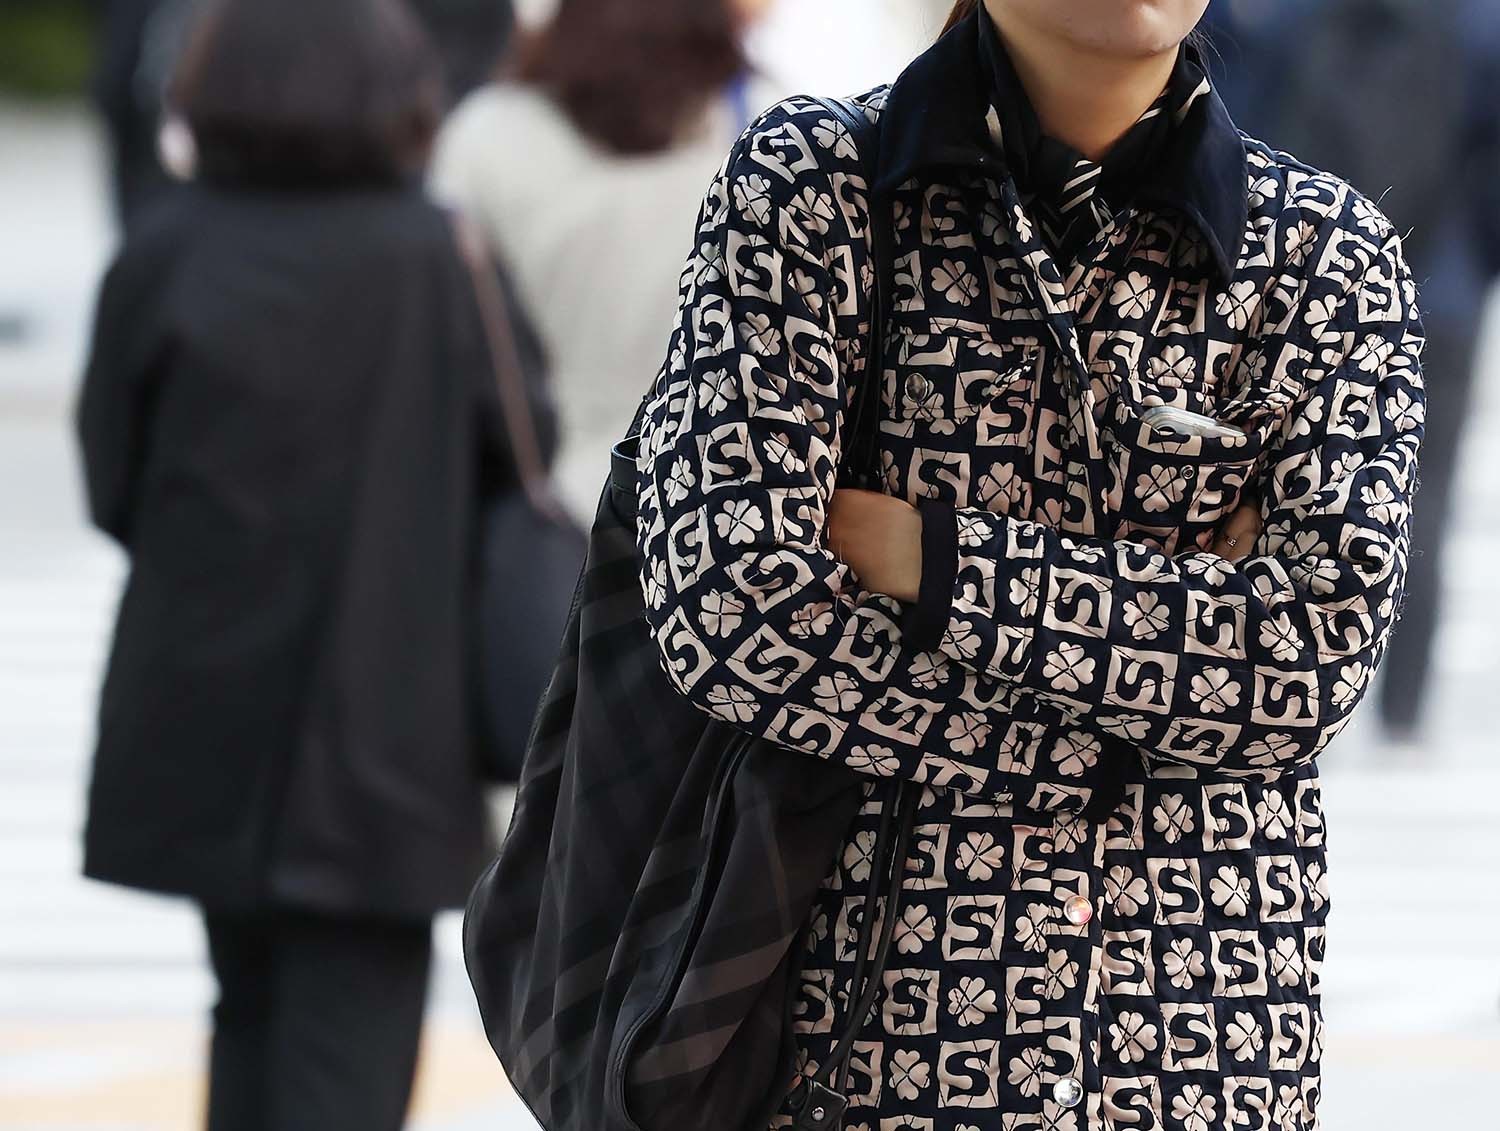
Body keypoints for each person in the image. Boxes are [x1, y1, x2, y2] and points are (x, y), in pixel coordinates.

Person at [634, 1, 1423, 1128]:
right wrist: (1132, 723)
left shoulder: (1323, 253)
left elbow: (1306, 662)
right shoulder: (815, 188)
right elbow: (734, 608)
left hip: (1196, 1035)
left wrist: (936, 560)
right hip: (866, 1026)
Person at [75, 1, 550, 1128]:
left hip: (206, 703)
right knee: (352, 1042)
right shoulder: (438, 256)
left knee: (243, 1006)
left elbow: (112, 485)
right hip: (389, 708)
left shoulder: (163, 248)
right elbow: (521, 451)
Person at [1199, 0, 1500, 741]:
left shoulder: (1292, 16)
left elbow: (1243, 126)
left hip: (1312, 287)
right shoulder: (1478, 25)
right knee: (1425, 491)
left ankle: (1285, 687)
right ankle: (1402, 709)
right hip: (1443, 289)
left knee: (1281, 483)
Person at [430, 0, 779, 519]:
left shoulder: (486, 135)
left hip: (549, 508)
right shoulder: (763, 139)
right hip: (720, 512)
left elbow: (446, 354)